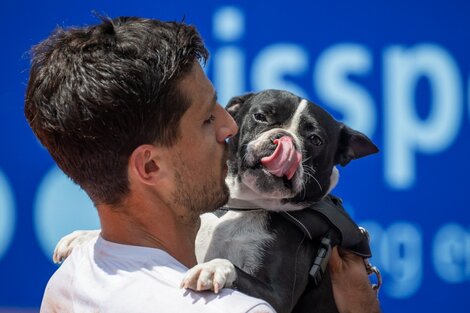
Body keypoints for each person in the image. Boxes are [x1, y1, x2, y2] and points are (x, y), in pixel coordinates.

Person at [25, 16, 380, 313]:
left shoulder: (70, 279)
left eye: (224, 109)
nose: (230, 127)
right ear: (149, 167)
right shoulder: (238, 308)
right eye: (207, 119)